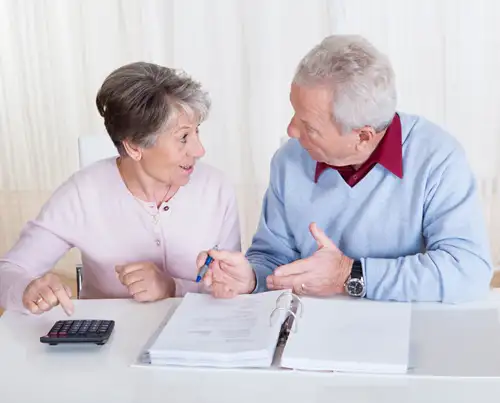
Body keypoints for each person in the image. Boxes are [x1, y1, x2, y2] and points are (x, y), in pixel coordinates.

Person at [197, 35, 492, 303]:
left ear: (363, 136)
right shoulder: (289, 160)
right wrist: (251, 278)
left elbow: (467, 271)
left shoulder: (437, 158)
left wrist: (348, 274)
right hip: (310, 335)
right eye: (294, 113)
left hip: (408, 337)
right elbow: (273, 260)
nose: (291, 130)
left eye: (308, 125)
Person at [0, 62, 240, 315]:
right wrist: (27, 289)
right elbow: (9, 271)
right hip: (108, 345)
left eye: (196, 132)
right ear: (134, 147)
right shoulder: (82, 194)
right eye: (183, 138)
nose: (199, 150)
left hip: (200, 339)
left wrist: (173, 287)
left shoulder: (216, 188)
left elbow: (231, 287)